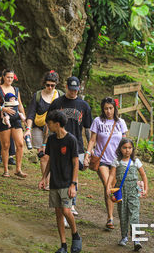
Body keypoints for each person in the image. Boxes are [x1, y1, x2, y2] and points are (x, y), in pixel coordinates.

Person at [47, 76, 92, 216]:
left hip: (77, 144)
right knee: (61, 171)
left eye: (76, 90)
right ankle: (62, 202)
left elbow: (87, 128)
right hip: (59, 142)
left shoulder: (84, 105)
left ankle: (72, 203)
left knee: (75, 172)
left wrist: (89, 150)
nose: (73, 92)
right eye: (71, 89)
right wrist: (45, 142)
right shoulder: (57, 102)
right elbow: (48, 124)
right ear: (66, 87)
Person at [38, 111, 82, 253]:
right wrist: (44, 177)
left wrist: (73, 184)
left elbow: (76, 163)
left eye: (49, 123)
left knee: (66, 211)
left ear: (57, 124)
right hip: (55, 182)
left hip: (67, 182)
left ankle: (75, 235)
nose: (48, 126)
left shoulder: (71, 140)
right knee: (58, 213)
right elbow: (50, 160)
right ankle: (63, 245)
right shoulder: (51, 140)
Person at [83, 97, 128, 230]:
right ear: (103, 109)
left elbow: (125, 142)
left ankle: (113, 214)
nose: (108, 111)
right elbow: (92, 140)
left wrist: (127, 158)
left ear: (115, 109)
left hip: (116, 161)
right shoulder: (98, 121)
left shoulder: (120, 122)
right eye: (106, 108)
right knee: (108, 183)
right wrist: (87, 154)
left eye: (111, 108)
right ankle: (110, 217)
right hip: (101, 159)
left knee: (112, 186)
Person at [107, 138, 149, 251]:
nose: (127, 150)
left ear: (133, 149)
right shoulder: (116, 161)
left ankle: (136, 240)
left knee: (134, 215)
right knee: (123, 214)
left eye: (130, 148)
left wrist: (145, 189)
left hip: (133, 193)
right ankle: (124, 236)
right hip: (121, 192)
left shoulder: (136, 162)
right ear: (120, 149)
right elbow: (111, 176)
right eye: (124, 148)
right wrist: (108, 187)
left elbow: (144, 176)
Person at [24, 70, 65, 185]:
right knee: (43, 156)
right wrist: (28, 129)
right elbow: (31, 114)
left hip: (54, 130)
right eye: (48, 85)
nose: (50, 87)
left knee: (54, 156)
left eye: (53, 85)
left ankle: (52, 180)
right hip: (39, 128)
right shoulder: (37, 96)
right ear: (44, 84)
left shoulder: (60, 95)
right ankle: (46, 182)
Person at [0, 69, 27, 178]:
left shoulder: (16, 89)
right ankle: (6, 170)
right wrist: (3, 109)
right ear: (3, 77)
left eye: (12, 77)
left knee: (20, 143)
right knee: (6, 145)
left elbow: (20, 104)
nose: (10, 79)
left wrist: (24, 117)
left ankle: (18, 169)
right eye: (8, 77)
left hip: (15, 118)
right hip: (3, 118)